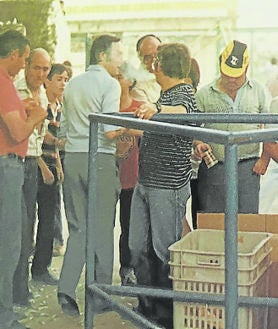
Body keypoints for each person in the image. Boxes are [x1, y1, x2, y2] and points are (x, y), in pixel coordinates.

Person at [129, 42, 198, 329]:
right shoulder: (166, 95)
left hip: (166, 187)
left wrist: (155, 108)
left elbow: (183, 111)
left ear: (161, 65)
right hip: (146, 183)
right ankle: (148, 303)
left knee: (163, 250)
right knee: (137, 247)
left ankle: (166, 313)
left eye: (155, 61)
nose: (151, 66)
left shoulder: (184, 94)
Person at [57, 33, 125, 317]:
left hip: (72, 158)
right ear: (102, 56)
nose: (122, 60)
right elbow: (110, 130)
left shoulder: (72, 83)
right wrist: (131, 126)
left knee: (78, 228)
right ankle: (100, 294)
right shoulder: (109, 84)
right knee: (102, 229)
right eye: (118, 54)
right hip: (100, 159)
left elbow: (62, 131)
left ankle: (67, 287)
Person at [0, 29, 47, 329]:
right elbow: (17, 132)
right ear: (14, 54)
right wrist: (36, 118)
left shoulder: (7, 85)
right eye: (26, 60)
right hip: (8, 167)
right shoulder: (4, 83)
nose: (24, 67)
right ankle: (4, 317)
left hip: (9, 167)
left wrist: (24, 110)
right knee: (9, 244)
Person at [194, 40, 271, 214]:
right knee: (214, 219)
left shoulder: (258, 91)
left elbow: (269, 128)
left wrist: (264, 159)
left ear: (247, 67)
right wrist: (198, 143)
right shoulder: (204, 94)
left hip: (249, 167)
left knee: (247, 220)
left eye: (237, 75)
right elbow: (193, 128)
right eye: (227, 74)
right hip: (215, 167)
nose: (231, 79)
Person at [13, 48, 55, 308]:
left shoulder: (42, 93)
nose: (40, 74)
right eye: (36, 68)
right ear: (26, 65)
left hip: (32, 162)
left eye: (45, 69)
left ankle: (20, 288)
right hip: (18, 161)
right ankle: (15, 290)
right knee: (17, 229)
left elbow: (38, 137)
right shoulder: (16, 90)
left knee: (27, 228)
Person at [34, 64, 68, 277]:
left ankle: (41, 267)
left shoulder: (59, 106)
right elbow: (35, 139)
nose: (63, 83)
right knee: (38, 219)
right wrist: (44, 167)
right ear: (47, 80)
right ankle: (37, 268)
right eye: (59, 79)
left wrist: (59, 166)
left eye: (66, 79)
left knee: (49, 219)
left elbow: (53, 145)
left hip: (52, 166)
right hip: (38, 166)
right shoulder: (41, 104)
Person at [115, 63, 142, 286]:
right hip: (110, 174)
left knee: (129, 225)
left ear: (131, 81)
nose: (116, 80)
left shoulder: (139, 108)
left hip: (132, 175)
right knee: (105, 226)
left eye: (120, 76)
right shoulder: (105, 106)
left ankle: (128, 267)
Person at [131, 34, 161, 103]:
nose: (154, 61)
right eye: (148, 58)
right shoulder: (136, 86)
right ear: (139, 57)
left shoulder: (171, 79)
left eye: (158, 56)